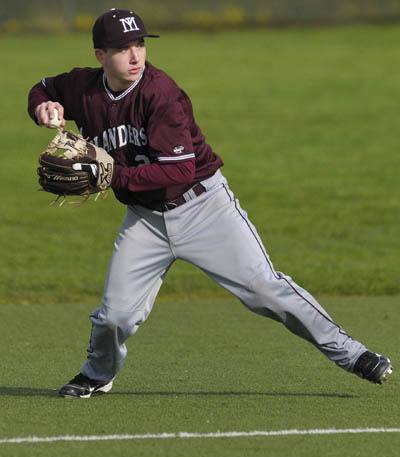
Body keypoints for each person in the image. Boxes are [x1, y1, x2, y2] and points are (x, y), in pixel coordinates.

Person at [28, 8, 392, 398]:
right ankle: (97, 374)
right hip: (146, 219)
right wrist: (42, 108)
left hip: (204, 209)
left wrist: (113, 176)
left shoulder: (160, 94)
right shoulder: (83, 86)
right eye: (122, 48)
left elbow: (178, 172)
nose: (135, 56)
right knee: (114, 316)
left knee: (266, 290)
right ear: (100, 55)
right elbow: (44, 87)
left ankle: (352, 354)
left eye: (139, 44)